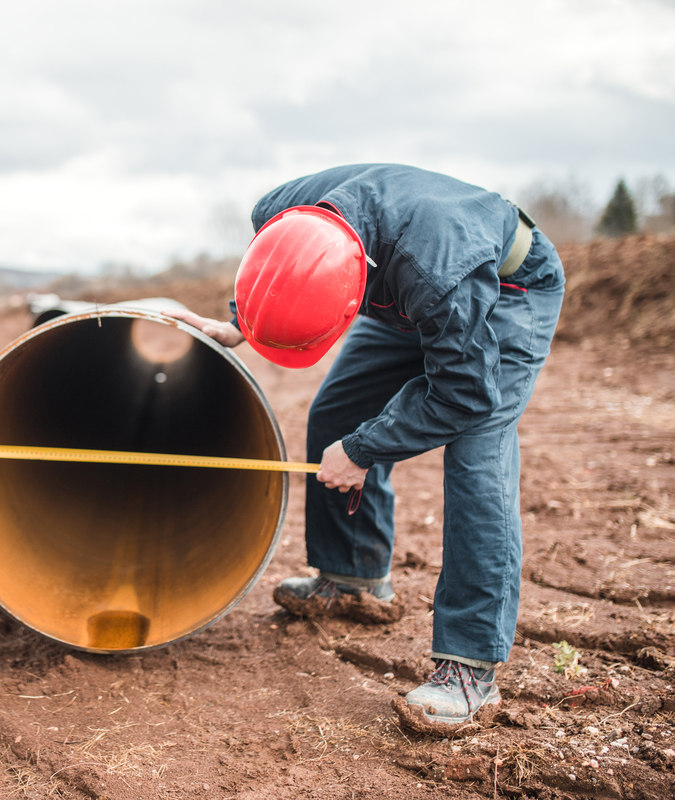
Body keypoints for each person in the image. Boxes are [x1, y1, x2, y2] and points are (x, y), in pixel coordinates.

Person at [164, 164, 565, 726]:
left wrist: (363, 449)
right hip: (395, 287)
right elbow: (280, 268)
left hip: (504, 290)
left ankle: (471, 667)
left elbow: (463, 396)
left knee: (477, 453)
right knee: (336, 413)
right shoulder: (277, 211)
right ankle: (352, 577)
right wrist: (240, 324)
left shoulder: (438, 274)